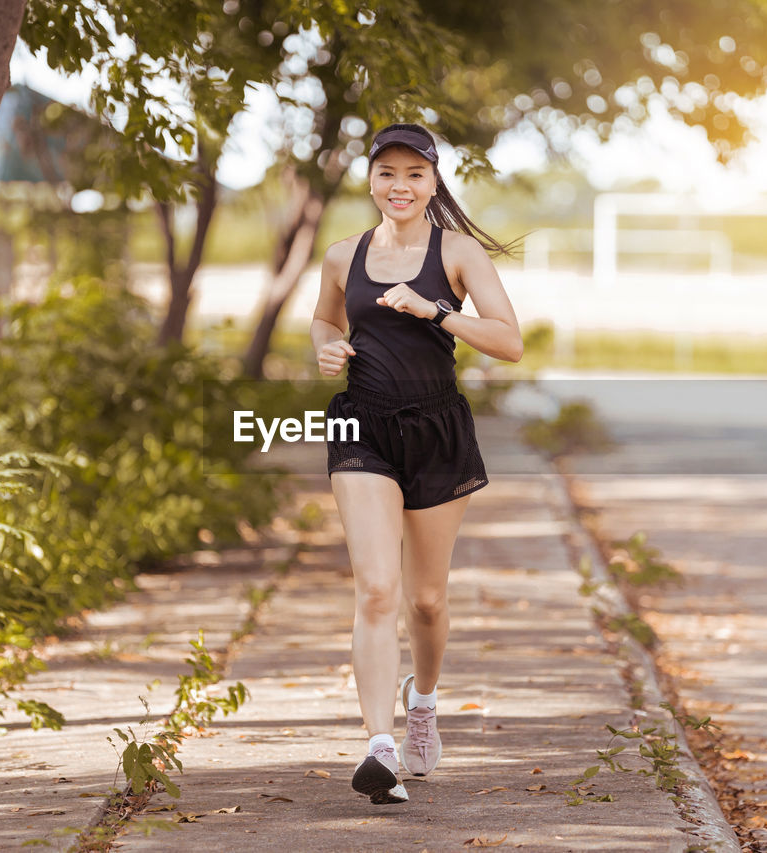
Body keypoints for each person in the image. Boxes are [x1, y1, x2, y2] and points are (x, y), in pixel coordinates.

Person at [310, 123, 523, 804]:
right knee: (376, 589)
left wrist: (437, 312)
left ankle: (422, 707)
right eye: (386, 174)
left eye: (413, 174)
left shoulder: (456, 253)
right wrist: (326, 346)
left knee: (426, 600)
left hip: (436, 427)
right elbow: (324, 320)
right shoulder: (343, 255)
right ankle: (379, 745)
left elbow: (509, 341)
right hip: (361, 423)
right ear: (369, 180)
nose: (398, 187)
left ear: (433, 182)